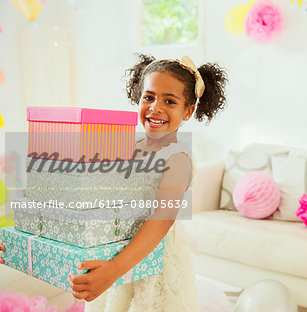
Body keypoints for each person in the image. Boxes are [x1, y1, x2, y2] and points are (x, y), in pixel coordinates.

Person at [0, 54, 227, 311]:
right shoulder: (125, 145)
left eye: (170, 101)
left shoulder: (178, 159)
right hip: (115, 245)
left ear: (188, 110)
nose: (156, 107)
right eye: (149, 97)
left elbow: (162, 218)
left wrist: (113, 271)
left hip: (152, 255)